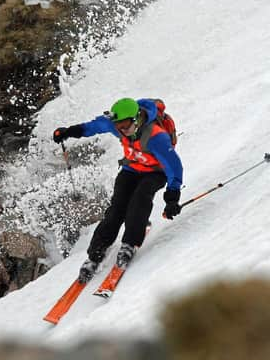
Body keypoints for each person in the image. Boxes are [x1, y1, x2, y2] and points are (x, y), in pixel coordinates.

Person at [52, 97, 183, 283]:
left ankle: (129, 244)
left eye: (126, 126)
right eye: (119, 126)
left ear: (137, 119)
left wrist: (172, 197)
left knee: (139, 202)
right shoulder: (119, 124)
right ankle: (95, 255)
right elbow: (94, 126)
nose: (123, 130)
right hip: (131, 169)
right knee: (116, 210)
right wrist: (69, 132)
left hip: (155, 172)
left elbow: (174, 166)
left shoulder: (156, 137)